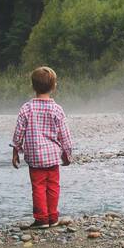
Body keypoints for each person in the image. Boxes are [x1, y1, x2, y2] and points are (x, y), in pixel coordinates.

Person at [10, 66, 74, 227]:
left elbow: (19, 132)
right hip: (52, 156)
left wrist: (15, 150)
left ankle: (41, 218)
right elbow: (64, 135)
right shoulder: (57, 109)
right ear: (54, 86)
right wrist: (67, 153)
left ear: (33, 86)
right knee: (53, 186)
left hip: (35, 157)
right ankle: (53, 217)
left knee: (38, 187)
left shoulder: (27, 108)